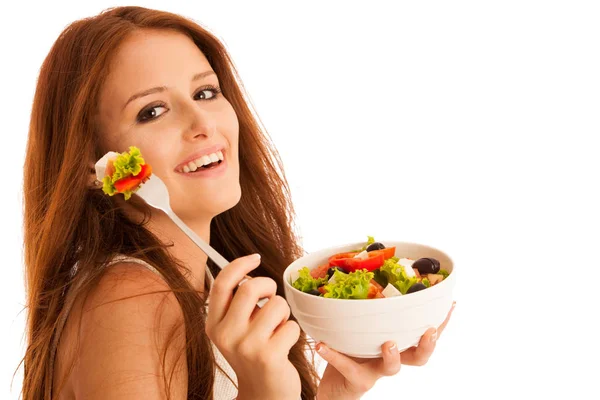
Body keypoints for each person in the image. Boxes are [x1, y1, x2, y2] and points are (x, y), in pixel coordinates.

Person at [19, 6, 454, 400]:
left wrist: (336, 393)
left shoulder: (205, 280)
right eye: (152, 111)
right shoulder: (129, 297)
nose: (202, 122)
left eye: (205, 93)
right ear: (92, 169)